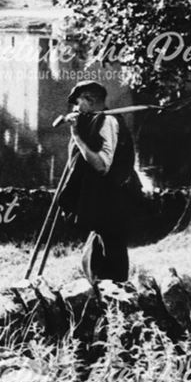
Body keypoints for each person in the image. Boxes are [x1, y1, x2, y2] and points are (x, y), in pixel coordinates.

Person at [58, 80, 136, 282]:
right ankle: (100, 289)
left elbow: (102, 165)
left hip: (112, 197)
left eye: (78, 102)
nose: (76, 108)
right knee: (97, 249)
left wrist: (76, 135)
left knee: (112, 250)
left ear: (91, 101)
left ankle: (117, 295)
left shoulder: (108, 122)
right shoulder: (94, 120)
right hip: (102, 197)